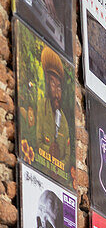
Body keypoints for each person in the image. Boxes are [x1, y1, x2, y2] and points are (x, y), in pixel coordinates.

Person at [37, 46, 71, 174]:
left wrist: (59, 164)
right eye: (52, 84)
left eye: (59, 87)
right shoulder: (42, 106)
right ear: (47, 83)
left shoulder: (64, 121)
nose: (57, 92)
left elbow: (67, 157)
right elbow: (37, 142)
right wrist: (48, 150)